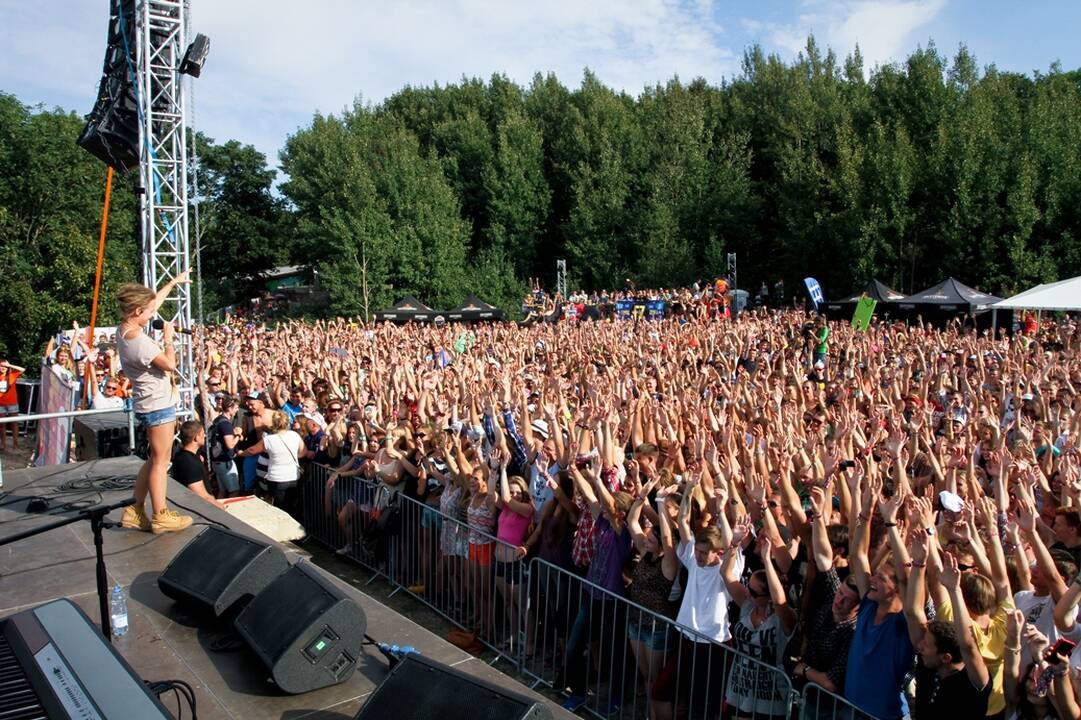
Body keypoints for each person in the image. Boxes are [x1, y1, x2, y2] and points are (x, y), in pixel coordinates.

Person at [116, 272, 193, 534]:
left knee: (153, 459)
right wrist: (169, 338)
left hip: (148, 403)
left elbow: (152, 303)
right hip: (158, 404)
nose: (153, 315)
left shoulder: (125, 328)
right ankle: (160, 515)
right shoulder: (140, 343)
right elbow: (170, 365)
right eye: (148, 312)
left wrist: (172, 283)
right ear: (137, 310)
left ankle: (135, 509)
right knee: (162, 462)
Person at [237, 410, 302, 509]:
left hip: (277, 479)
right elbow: (303, 452)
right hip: (293, 477)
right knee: (291, 506)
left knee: (279, 508)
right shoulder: (295, 435)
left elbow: (252, 450)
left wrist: (241, 453)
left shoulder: (269, 439)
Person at [170, 420, 227, 510]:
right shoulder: (189, 463)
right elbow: (201, 495)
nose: (204, 436)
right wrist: (220, 507)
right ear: (196, 438)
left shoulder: (182, 455)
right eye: (202, 434)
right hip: (200, 510)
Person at [209, 395, 241, 498]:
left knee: (222, 491)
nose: (237, 410)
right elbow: (230, 445)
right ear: (229, 408)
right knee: (234, 491)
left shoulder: (218, 420)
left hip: (217, 461)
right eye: (235, 408)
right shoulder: (225, 424)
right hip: (224, 462)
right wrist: (237, 435)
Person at [0, 358, 25, 450]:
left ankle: (15, 444)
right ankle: (3, 443)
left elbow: (22, 369)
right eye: (1, 366)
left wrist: (9, 365)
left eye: (4, 366)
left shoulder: (12, 375)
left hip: (12, 403)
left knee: (14, 423)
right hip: (0, 404)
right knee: (1, 425)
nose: (3, 368)